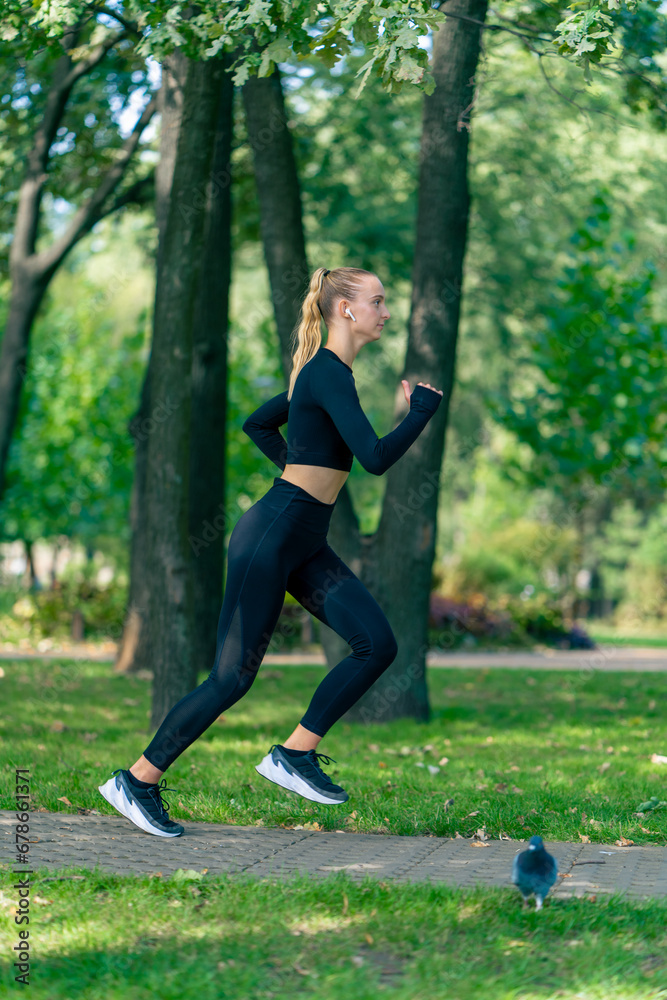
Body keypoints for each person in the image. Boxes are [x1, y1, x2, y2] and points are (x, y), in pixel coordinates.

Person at [99, 266, 443, 837]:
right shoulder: (328, 374)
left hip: (303, 539)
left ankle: (295, 754)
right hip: (273, 535)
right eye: (378, 302)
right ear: (346, 311)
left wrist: (296, 463)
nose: (387, 312)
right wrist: (422, 413)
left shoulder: (325, 376)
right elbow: (375, 458)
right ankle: (136, 781)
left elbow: (258, 423)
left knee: (376, 643)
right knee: (231, 678)